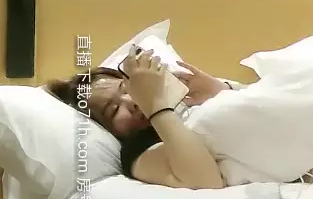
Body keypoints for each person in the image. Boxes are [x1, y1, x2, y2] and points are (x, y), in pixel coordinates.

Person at [47, 46, 231, 189]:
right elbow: (206, 182)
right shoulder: (137, 149)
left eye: (126, 89)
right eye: (114, 110)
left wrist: (223, 90)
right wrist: (155, 106)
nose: (131, 101)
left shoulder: (183, 100)